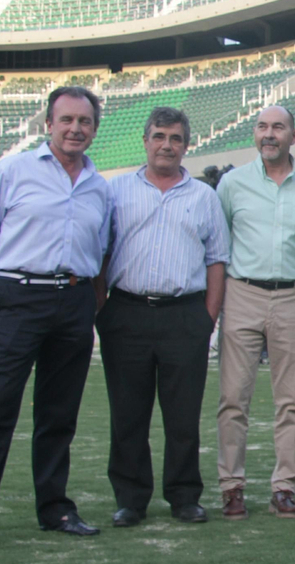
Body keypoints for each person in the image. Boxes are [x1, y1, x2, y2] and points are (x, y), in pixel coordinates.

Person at [0, 86, 112, 558]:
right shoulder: (13, 170)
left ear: (95, 128)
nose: (75, 128)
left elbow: (100, 247)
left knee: (59, 413)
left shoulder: (99, 186)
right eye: (67, 120)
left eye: (85, 121)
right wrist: (9, 278)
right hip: (19, 297)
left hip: (74, 300)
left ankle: (55, 509)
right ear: (48, 125)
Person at [96, 108, 229, 529]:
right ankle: (130, 499)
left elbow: (216, 260)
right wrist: (102, 311)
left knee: (183, 416)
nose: (166, 145)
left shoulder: (204, 197)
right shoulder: (116, 191)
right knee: (127, 414)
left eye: (175, 138)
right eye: (158, 136)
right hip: (126, 312)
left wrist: (207, 319)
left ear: (186, 145)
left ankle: (184, 497)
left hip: (184, 315)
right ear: (145, 140)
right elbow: (100, 253)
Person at [214, 105, 295, 522]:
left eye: (278, 127)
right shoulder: (232, 184)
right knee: (233, 398)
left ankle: (284, 488)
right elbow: (218, 245)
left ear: (294, 135)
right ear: (254, 134)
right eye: (262, 127)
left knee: (290, 401)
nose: (269, 134)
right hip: (242, 293)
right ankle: (231, 486)